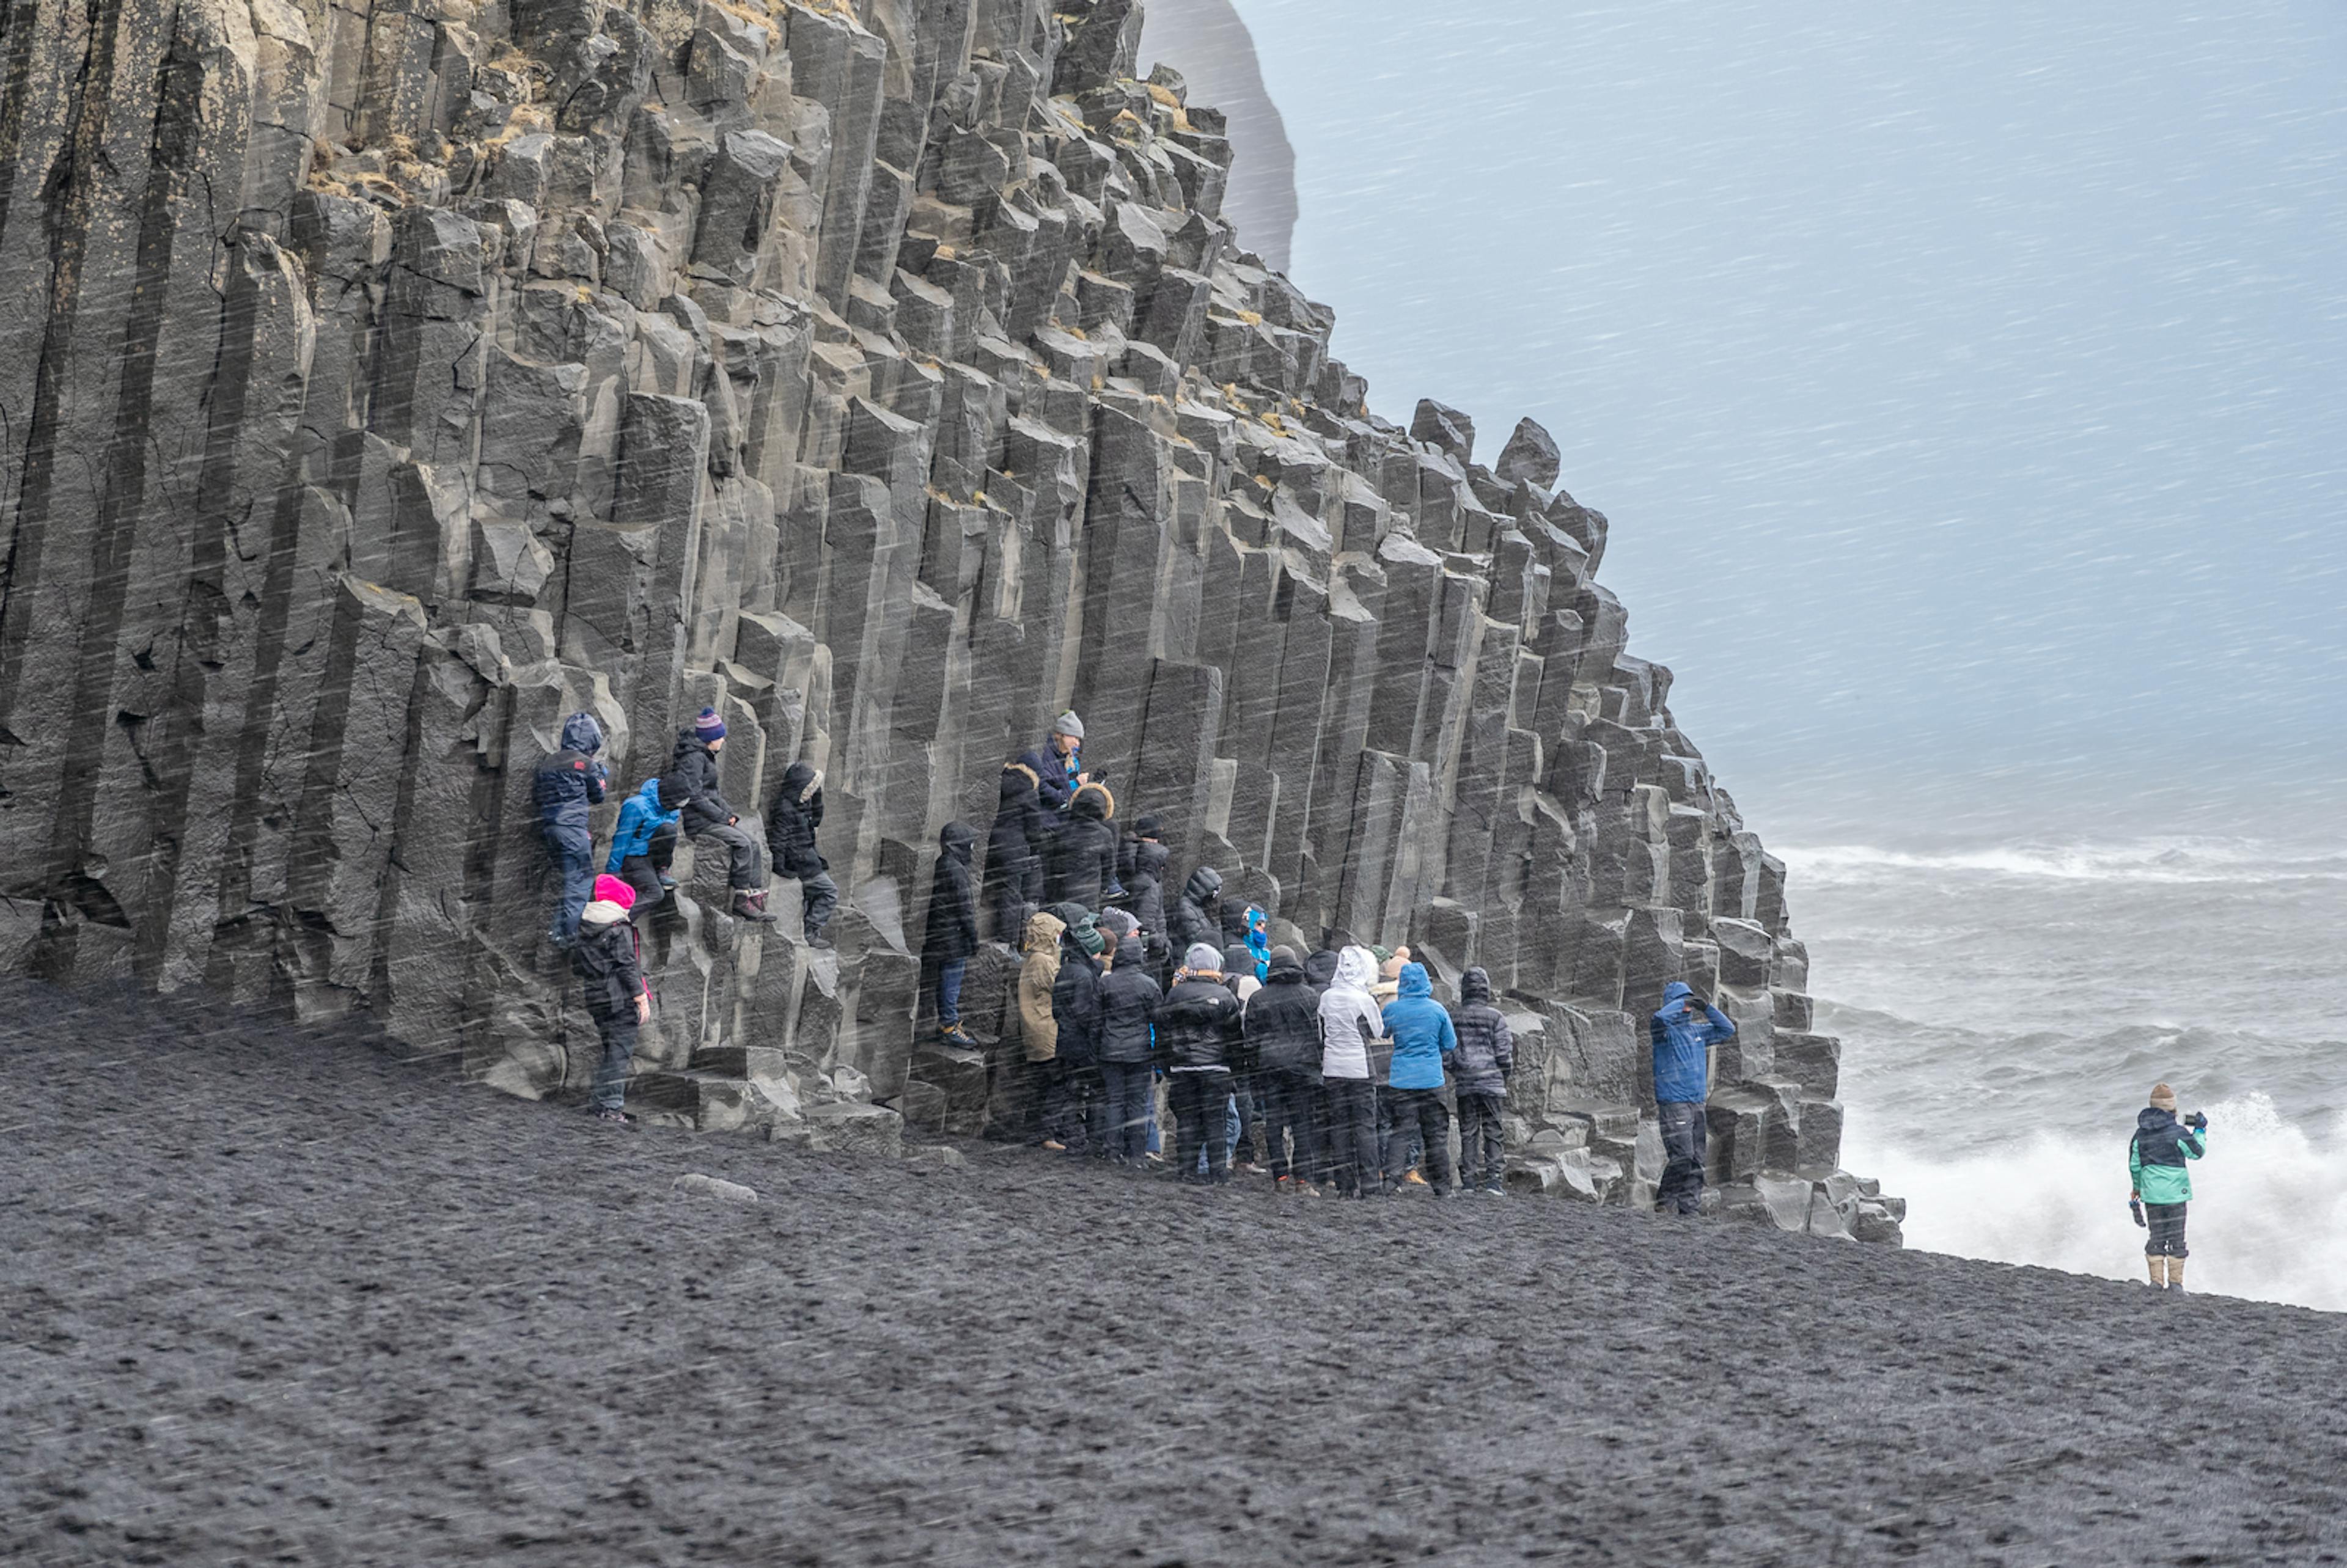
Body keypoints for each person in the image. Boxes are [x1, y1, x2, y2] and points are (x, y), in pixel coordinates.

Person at [668, 709, 775, 925]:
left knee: (753, 844)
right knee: (743, 843)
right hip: (697, 821)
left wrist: (728, 813)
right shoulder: (694, 759)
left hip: (709, 817)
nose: (723, 740)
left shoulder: (705, 756)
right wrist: (722, 817)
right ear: (710, 738)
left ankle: (754, 895)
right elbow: (694, 796)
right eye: (720, 736)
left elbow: (712, 793)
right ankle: (741, 899)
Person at [1156, 942, 1244, 1184]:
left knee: (1188, 1121)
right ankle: (1217, 1173)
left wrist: (1167, 1064)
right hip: (1217, 1069)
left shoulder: (1174, 994)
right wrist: (1235, 1069)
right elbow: (1234, 1038)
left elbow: (1163, 1032)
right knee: (1215, 1121)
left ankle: (1186, 1170)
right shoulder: (1226, 996)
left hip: (1183, 1068)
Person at [1651, 980, 1736, 1216]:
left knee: (1697, 1160)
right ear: (1674, 1003)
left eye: (1690, 1001)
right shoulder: (1664, 1033)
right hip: (1675, 1103)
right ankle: (1664, 1202)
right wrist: (1680, 1003)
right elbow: (1659, 1018)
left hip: (1697, 1103)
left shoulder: (1698, 1032)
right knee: (1682, 1156)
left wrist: (1707, 1008)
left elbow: (1727, 1030)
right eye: (1683, 1001)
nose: (1688, 1006)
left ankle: (1690, 1209)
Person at [572, 873, 651, 1124]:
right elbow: (627, 966)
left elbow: (577, 965)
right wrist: (641, 999)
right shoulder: (619, 928)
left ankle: (600, 1104)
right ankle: (611, 1107)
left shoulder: (583, 926)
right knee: (619, 1053)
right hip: (619, 999)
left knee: (610, 1049)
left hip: (595, 997)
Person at [1247, 945, 1323, 1194]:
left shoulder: (1259, 998)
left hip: (1270, 1067)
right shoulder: (1311, 996)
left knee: (1274, 1123)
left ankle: (1279, 1176)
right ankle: (1304, 1179)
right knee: (1303, 1124)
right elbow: (1318, 1035)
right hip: (1303, 1068)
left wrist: (1255, 1066)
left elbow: (1251, 1039)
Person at [1381, 961, 1456, 1197]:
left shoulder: (1393, 1009)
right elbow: (1449, 1044)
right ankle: (1442, 1187)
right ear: (1426, 983)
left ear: (1402, 984)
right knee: (1435, 1135)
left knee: (1401, 1131)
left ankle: (1391, 1181)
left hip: (1402, 1080)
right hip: (1432, 1081)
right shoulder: (1438, 1010)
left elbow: (1384, 1033)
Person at [532, 711, 609, 945]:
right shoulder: (586, 764)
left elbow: (538, 795)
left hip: (550, 829)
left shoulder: (548, 762)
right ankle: (567, 936)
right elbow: (598, 796)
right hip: (573, 830)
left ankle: (558, 931)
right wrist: (601, 775)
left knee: (570, 879)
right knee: (580, 881)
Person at [1317, 946, 1386, 1198]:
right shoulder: (1363, 999)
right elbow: (1378, 1031)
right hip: (1359, 1068)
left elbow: (1321, 1030)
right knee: (1365, 1127)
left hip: (1333, 1068)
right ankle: (1369, 1185)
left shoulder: (1327, 997)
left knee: (1340, 1127)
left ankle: (1345, 1186)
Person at [2130, 1083, 2209, 1292]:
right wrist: (2200, 1130)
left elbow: (2135, 1166)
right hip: (2176, 1196)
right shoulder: (2179, 1133)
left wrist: (2137, 1189)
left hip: (2152, 1196)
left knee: (2156, 1236)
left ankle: (2156, 1282)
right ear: (2173, 1109)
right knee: (2176, 1237)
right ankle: (2176, 1285)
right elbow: (2197, 1152)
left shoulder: (2140, 1135)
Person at [1095, 932, 1162, 1166]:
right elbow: (1158, 1021)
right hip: (1139, 1051)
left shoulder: (1105, 983)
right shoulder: (1149, 985)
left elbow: (1096, 1019)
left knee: (1114, 1100)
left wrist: (1099, 1045)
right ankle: (1137, 1154)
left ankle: (1111, 1150)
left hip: (1111, 1048)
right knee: (1137, 1103)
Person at [1450, 967, 1515, 1196]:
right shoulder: (1496, 1017)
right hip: (1492, 1083)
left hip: (1466, 1083)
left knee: (1468, 1131)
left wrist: (1458, 1070)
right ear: (1486, 990)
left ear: (1465, 990)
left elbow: (1448, 1051)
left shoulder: (1455, 1017)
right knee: (1493, 1131)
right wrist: (1502, 1075)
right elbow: (1504, 1054)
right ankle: (1494, 1181)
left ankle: (1468, 1180)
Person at [1046, 910, 1106, 1154]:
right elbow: (1083, 1012)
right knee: (1073, 1089)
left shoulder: (1068, 970)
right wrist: (1096, 1027)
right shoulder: (1083, 976)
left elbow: (1058, 1008)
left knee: (1063, 1086)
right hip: (1078, 1042)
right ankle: (1067, 1134)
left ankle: (1057, 1132)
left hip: (1065, 1037)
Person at [763, 760, 836, 947]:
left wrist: (817, 794)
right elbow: (778, 841)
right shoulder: (786, 809)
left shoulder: (798, 803)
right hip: (801, 861)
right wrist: (780, 867)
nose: (812, 792)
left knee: (818, 893)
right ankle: (811, 931)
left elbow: (816, 820)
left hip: (806, 856)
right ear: (800, 788)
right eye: (810, 788)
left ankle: (809, 928)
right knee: (829, 892)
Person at [924, 823, 980, 1046]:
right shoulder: (956, 869)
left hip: (943, 935)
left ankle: (948, 1024)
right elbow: (964, 907)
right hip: (953, 938)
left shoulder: (945, 863)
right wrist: (973, 937)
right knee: (951, 983)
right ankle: (949, 1026)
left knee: (947, 981)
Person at [1015, 908, 1065, 1143]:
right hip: (1047, 1031)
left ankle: (1032, 1131)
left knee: (1038, 1086)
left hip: (1034, 1030)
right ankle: (1046, 1134)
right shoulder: (1044, 962)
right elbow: (1061, 988)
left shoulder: (1032, 958)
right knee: (1053, 1085)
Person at [988, 756, 1048, 942]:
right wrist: (1040, 844)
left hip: (994, 844)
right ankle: (1007, 941)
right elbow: (1034, 830)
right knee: (1011, 894)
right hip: (1013, 850)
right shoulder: (1029, 793)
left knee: (996, 889)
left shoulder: (1001, 782)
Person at [605, 775, 685, 910]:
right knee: (656, 893)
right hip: (634, 855)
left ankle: (662, 870)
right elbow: (622, 839)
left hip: (652, 855)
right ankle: (619, 918)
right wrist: (613, 871)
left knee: (669, 830)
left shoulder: (673, 809)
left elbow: (666, 838)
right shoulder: (637, 806)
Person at [1043, 780, 1124, 909]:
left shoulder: (1062, 831)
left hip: (1061, 893)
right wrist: (1100, 888)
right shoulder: (1105, 834)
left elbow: (1051, 864)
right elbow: (1109, 867)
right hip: (1089, 895)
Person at [1222, 942, 1266, 1170]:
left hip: (1221, 1052)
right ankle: (1244, 1156)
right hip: (1244, 1052)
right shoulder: (1250, 983)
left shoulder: (1220, 980)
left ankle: (1224, 1153)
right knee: (1244, 1102)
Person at [1169, 866, 1223, 970]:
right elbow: (1200, 939)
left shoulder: (1199, 907)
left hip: (1195, 960)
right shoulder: (1185, 909)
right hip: (1186, 962)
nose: (1214, 898)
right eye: (1213, 893)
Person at [1036, 711, 1086, 812]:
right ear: (1062, 734)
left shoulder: (1062, 758)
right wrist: (1063, 800)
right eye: (1075, 737)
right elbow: (1043, 785)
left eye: (1079, 740)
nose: (1077, 744)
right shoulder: (1046, 755)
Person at [1243, 904, 1270, 982]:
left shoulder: (1266, 951)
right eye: (1259, 923)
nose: (1263, 926)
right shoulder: (1243, 948)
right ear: (1250, 924)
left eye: (1264, 923)